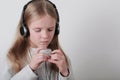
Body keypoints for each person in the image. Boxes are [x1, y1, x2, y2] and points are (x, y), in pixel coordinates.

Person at [1, 0, 74, 80]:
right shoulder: (12, 57)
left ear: (56, 29)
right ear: (25, 30)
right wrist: (30, 69)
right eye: (38, 30)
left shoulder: (61, 58)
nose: (45, 36)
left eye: (50, 29)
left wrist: (65, 73)